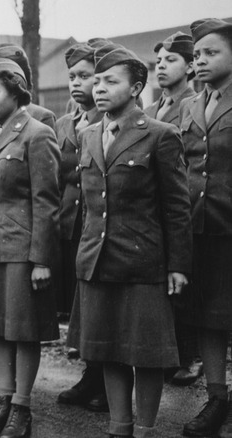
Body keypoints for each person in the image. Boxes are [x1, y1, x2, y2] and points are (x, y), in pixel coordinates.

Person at [70, 43, 192, 438]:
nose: (99, 87)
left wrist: (177, 266)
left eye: (111, 81)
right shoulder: (89, 134)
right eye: (97, 80)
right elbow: (90, 207)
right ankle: (118, 427)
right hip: (98, 261)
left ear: (136, 87)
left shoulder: (160, 135)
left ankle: (145, 429)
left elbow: (177, 208)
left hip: (143, 263)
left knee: (146, 354)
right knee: (107, 349)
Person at [0, 59, 60, 438]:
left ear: (15, 92)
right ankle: (2, 402)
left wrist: (41, 260)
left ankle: (22, 408)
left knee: (23, 330)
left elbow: (47, 202)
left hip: (21, 248)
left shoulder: (37, 134)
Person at [179, 18, 232, 438]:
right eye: (196, 55)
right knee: (209, 318)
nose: (199, 61)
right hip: (200, 229)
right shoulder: (190, 105)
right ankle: (217, 397)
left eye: (210, 52)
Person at [143, 32, 203, 388]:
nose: (162, 66)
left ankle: (190, 354)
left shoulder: (195, 105)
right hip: (156, 207)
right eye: (159, 61)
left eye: (171, 60)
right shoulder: (151, 110)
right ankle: (168, 350)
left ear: (191, 66)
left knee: (188, 282)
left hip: (190, 203)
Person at [54, 43, 108, 413]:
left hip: (100, 226)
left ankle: (106, 382)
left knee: (101, 305)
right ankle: (91, 374)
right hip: (70, 224)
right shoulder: (64, 123)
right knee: (82, 305)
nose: (77, 83)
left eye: (85, 76)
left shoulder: (108, 123)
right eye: (72, 76)